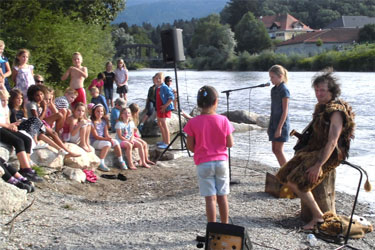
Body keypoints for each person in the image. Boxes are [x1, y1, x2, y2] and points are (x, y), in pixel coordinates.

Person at [276, 69, 355, 230]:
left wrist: (318, 165)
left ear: (332, 91)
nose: (318, 93)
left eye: (323, 90)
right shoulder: (322, 107)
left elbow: (332, 141)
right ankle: (310, 210)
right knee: (284, 175)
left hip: (330, 154)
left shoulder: (336, 112)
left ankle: (318, 216)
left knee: (297, 181)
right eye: (317, 90)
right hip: (314, 149)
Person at [183, 85, 234, 223]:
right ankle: (225, 226)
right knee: (222, 196)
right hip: (221, 162)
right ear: (216, 101)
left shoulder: (192, 122)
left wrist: (201, 149)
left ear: (198, 104)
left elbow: (190, 146)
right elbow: (230, 144)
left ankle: (212, 229)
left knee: (210, 198)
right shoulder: (224, 120)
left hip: (204, 163)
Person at [0, 89, 43, 182]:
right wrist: (8, 126)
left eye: (6, 100)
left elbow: (7, 121)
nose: (5, 102)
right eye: (2, 100)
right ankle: (26, 169)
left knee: (27, 139)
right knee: (18, 141)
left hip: (5, 127)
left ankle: (25, 167)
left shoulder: (6, 108)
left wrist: (13, 126)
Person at [26, 85, 80, 157]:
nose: (40, 97)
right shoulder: (33, 105)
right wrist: (44, 108)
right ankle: (65, 151)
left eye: (41, 95)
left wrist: (50, 104)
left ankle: (64, 151)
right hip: (35, 127)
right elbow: (37, 120)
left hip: (39, 126)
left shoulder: (38, 104)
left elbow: (57, 113)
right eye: (37, 95)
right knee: (51, 134)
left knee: (53, 133)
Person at [90, 103, 127, 171]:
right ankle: (101, 163)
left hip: (102, 139)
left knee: (115, 142)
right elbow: (96, 136)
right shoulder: (92, 122)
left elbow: (106, 134)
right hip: (94, 141)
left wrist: (109, 138)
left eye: (101, 111)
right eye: (97, 111)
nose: (100, 113)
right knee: (107, 144)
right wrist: (107, 139)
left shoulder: (104, 121)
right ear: (94, 112)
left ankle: (121, 161)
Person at [267, 65, 290, 167]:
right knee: (274, 150)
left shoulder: (284, 90)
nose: (270, 79)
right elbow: (273, 109)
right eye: (270, 77)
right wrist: (270, 125)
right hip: (274, 122)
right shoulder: (273, 90)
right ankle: (284, 171)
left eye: (272, 77)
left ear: (280, 76)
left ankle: (287, 173)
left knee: (278, 150)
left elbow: (285, 111)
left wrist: (279, 128)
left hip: (281, 124)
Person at [155, 72, 174, 149]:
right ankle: (164, 140)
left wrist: (165, 106)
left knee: (164, 123)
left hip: (164, 108)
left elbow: (171, 97)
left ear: (163, 79)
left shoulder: (164, 87)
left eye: (160, 78)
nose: (158, 80)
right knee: (159, 123)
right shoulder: (158, 87)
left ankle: (168, 143)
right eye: (157, 78)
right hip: (159, 108)